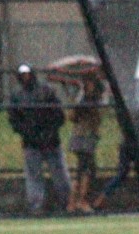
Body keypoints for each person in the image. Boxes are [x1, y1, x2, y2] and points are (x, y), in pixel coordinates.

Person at [7, 63, 71, 215]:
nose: (25, 77)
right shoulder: (17, 96)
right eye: (22, 75)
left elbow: (58, 116)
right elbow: (14, 119)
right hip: (31, 144)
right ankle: (36, 206)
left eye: (27, 74)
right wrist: (27, 133)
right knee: (34, 175)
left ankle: (66, 202)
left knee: (59, 173)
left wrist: (48, 132)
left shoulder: (46, 91)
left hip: (51, 142)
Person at [66, 76, 104, 214]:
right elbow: (75, 117)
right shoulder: (86, 100)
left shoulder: (87, 99)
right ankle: (79, 201)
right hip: (84, 137)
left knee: (84, 168)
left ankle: (74, 201)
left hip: (83, 136)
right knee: (84, 169)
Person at [92, 135, 139, 210]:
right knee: (129, 173)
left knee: (127, 173)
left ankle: (101, 199)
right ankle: (101, 199)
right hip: (136, 143)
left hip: (132, 142)